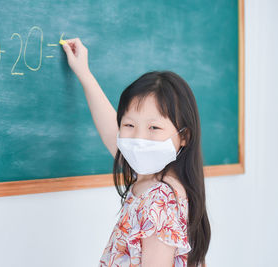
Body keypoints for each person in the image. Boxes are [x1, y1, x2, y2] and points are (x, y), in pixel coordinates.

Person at [61, 38, 210, 267]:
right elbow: (113, 132)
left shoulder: (159, 198)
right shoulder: (149, 180)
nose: (139, 139)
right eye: (130, 125)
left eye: (154, 128)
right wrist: (84, 72)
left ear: (183, 136)